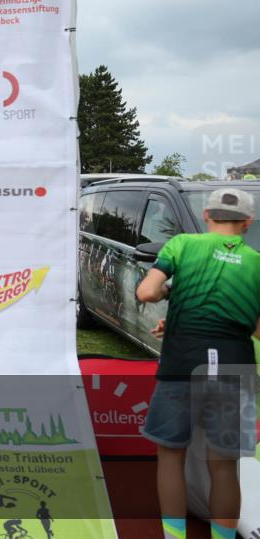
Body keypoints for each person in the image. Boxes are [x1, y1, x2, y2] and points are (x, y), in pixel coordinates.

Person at [136, 187, 259, 539]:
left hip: (183, 364)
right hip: (235, 369)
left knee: (171, 455)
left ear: (207, 216)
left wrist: (169, 297)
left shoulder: (183, 245)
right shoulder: (256, 262)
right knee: (224, 465)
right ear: (247, 222)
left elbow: (146, 292)